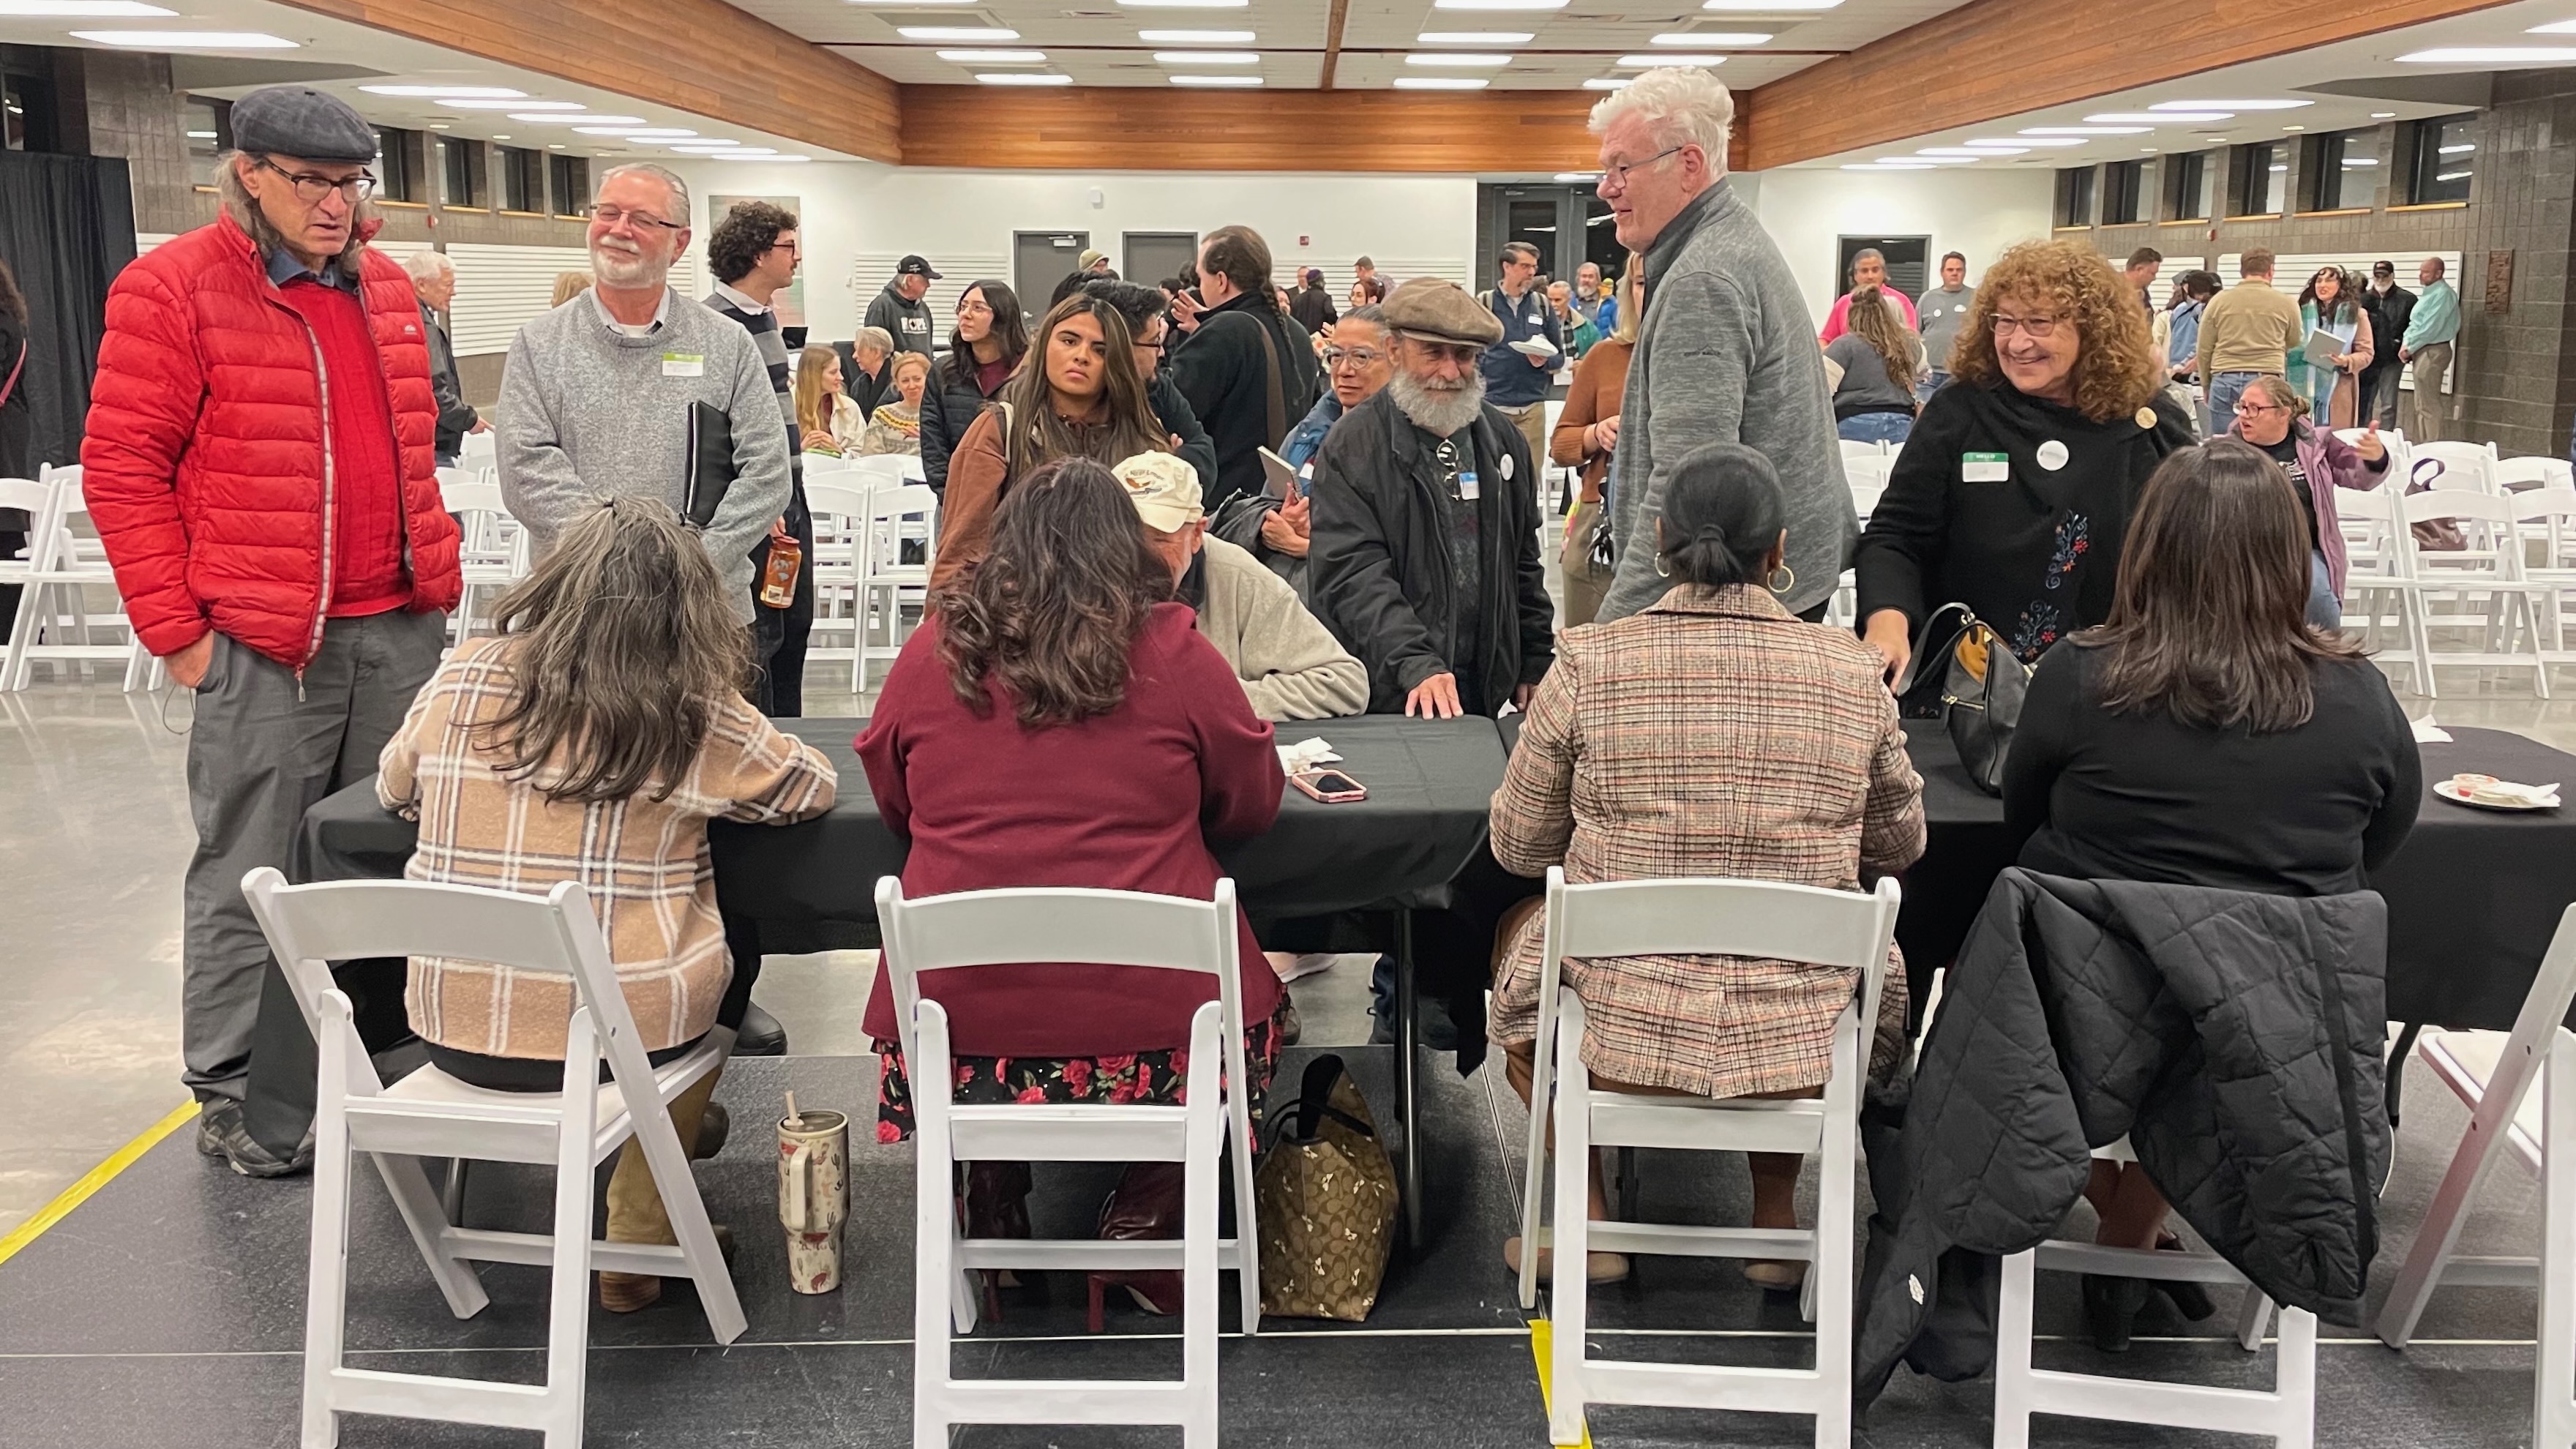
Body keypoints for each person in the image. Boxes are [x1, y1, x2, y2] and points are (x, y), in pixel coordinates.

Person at [82, 86, 465, 1173]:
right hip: (261, 642)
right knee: (253, 865)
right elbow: (122, 468)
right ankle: (238, 1085)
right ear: (248, 172)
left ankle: (382, 1049)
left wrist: (433, 581)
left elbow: (408, 449)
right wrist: (181, 634)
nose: (338, 206)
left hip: (397, 628)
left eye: (352, 184)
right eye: (314, 183)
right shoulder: (172, 288)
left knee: (393, 855)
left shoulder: (387, 289)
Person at [1999, 438, 2418, 1349]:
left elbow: (2021, 823)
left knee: (2048, 999)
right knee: (2200, 1017)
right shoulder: (2359, 698)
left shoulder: (2079, 676)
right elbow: (2377, 845)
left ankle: (2123, 1221)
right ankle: (2134, 1230)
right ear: (2288, 555)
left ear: (2150, 547)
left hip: (2085, 1032)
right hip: (2277, 1044)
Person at [378, 495, 835, 1311]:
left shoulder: (465, 671)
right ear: (691, 607)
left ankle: (667, 1141)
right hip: (614, 1046)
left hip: (452, 1030)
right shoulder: (691, 709)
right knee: (729, 952)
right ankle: (642, 1217)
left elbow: (394, 783)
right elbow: (807, 785)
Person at [857, 457, 1289, 1319]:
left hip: (961, 1032)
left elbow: (891, 791)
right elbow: (1252, 797)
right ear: (1125, 550)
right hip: (1161, 1027)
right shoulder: (1173, 650)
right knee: (1260, 1010)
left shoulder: (933, 649)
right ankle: (1149, 1213)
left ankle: (992, 1196)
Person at [1488, 441, 1925, 1288]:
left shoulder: (1588, 663)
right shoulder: (1849, 672)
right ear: (1781, 550)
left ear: (1656, 539)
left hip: (1619, 1029)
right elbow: (1901, 845)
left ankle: (1590, 1221)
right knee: (1818, 955)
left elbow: (1517, 846)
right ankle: (1772, 1222)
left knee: (1521, 949)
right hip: (1803, 1041)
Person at [1854, 240, 2195, 683]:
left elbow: (2196, 556)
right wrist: (1887, 621)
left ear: (2092, 328)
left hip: (2118, 686)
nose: (2017, 342)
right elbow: (1895, 536)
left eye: (2039, 322)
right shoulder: (1961, 411)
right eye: (2005, 322)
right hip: (1971, 690)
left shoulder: (2147, 423)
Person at [495, 162, 791, 670]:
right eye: (607, 212)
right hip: (574, 618)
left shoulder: (727, 345)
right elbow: (526, 471)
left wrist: (689, 566)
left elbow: (767, 473)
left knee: (711, 751)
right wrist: (615, 565)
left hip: (705, 618)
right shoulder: (539, 344)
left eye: (641, 219)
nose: (618, 229)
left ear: (679, 243)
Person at [1587, 67, 1849, 625]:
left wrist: (1615, 630)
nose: (1605, 187)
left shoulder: (1701, 279)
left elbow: (1686, 481)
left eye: (1621, 167)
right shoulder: (1733, 241)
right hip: (1780, 580)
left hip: (1740, 601)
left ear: (1688, 166)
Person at [1309, 278, 1554, 719]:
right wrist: (1415, 663)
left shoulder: (1501, 442)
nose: (1450, 372)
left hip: (1479, 691)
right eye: (1434, 354)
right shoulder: (1353, 446)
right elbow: (1353, 573)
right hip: (1387, 689)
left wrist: (1535, 659)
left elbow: (1522, 559)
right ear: (1395, 351)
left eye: (1464, 356)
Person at [931, 291, 1175, 591]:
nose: (1082, 356)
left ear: (1116, 362)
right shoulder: (999, 428)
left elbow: (1165, 553)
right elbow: (960, 557)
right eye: (1069, 341)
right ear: (1045, 345)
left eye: (1100, 349)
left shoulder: (1144, 438)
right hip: (1019, 617)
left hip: (1121, 616)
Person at [1114, 451, 1366, 720]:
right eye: (1125, 538)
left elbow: (1344, 682)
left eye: (1160, 539)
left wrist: (1214, 699)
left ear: (1197, 533)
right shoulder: (1078, 572)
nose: (1141, 555)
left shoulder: (1238, 576)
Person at [703, 199, 814, 717]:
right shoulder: (712, 327)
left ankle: (793, 744)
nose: (798, 259)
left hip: (790, 499)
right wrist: (758, 499)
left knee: (794, 630)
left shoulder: (765, 318)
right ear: (756, 253)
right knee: (760, 646)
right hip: (758, 512)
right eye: (789, 247)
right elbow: (713, 430)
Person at [1220, 304, 1394, 598]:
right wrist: (1281, 519)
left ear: (1396, 360)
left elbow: (1405, 551)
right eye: (1336, 355)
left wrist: (1310, 549)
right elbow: (1269, 502)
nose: (1345, 370)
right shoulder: (1306, 433)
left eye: (1361, 357)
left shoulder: (1403, 445)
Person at [1167, 225, 1322, 510]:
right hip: (1277, 502)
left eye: (1201, 278)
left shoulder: (1225, 332)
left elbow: (1174, 411)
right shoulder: (1296, 332)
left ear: (1222, 280)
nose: (1199, 288)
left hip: (1226, 505)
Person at [2227, 375, 2389, 629]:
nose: (2245, 416)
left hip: (2304, 550)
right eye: (2242, 407)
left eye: (2255, 409)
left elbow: (2359, 477)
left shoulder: (2317, 446)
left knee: (2317, 595)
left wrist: (2375, 459)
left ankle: (2328, 664)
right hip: (2242, 553)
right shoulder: (2225, 451)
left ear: (2283, 413)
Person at [1550, 261, 1641, 629]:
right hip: (1599, 521)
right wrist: (1596, 433)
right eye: (1641, 282)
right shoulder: (1605, 356)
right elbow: (1561, 443)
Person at [1081, 277, 1219, 491]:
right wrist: (1161, 463)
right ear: (1122, 345)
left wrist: (1167, 459)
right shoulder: (1074, 401)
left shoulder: (1156, 387)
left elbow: (1204, 458)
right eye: (1155, 342)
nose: (1162, 352)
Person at [918, 279, 1027, 494]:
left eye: (978, 308)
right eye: (963, 306)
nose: (965, 314)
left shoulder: (1027, 371)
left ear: (1003, 316)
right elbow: (932, 440)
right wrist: (947, 493)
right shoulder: (944, 371)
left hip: (1018, 498)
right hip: (956, 495)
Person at [2194, 246, 2304, 438]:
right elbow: (2295, 341)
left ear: (2242, 271)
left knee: (2224, 444)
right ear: (2271, 271)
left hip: (2225, 377)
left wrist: (2206, 384)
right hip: (2267, 379)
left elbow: (2204, 348)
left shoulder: (2219, 301)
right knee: (2263, 441)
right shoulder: (2287, 303)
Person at [1477, 242, 1562, 470]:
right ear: (1507, 266)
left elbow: (1559, 356)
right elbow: (1472, 353)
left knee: (1529, 478)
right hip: (1493, 406)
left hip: (1532, 408)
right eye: (1525, 266)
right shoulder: (1485, 304)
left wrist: (1545, 361)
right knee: (1492, 476)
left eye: (1534, 267)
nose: (1532, 272)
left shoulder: (1541, 305)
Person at [402, 251, 485, 466]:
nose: (454, 292)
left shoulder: (401, 316)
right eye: (448, 285)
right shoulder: (423, 326)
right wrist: (468, 419)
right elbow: (434, 389)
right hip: (433, 445)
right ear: (421, 285)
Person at [1824, 283, 1922, 445]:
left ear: (1852, 315)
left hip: (1853, 421)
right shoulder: (1910, 345)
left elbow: (1823, 391)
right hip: (1901, 422)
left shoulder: (1843, 346)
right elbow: (1922, 379)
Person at [2290, 265, 2373, 430]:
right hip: (2301, 386)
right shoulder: (2299, 312)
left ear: (2340, 285)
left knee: (2334, 441)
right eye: (2319, 281)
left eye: (2329, 280)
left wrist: (2346, 360)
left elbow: (2367, 353)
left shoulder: (2356, 314)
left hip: (2338, 388)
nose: (2322, 285)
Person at [2400, 256, 2460, 442]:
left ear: (2439, 273)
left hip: (2433, 350)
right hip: (2422, 349)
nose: (2421, 275)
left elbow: (2430, 328)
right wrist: (2406, 344)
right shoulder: (2430, 294)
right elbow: (2415, 324)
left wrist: (2410, 347)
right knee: (2420, 404)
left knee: (2429, 404)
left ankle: (2433, 447)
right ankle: (2422, 445)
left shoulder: (2443, 294)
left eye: (2425, 272)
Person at [2359, 261, 2416, 430]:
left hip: (2392, 359)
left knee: (2388, 403)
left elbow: (2413, 328)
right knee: (2364, 402)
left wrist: (2402, 346)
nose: (2381, 279)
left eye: (2385, 275)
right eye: (2377, 275)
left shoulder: (2408, 299)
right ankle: (2360, 436)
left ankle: (2387, 440)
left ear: (2392, 276)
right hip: (2369, 359)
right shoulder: (2364, 299)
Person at [1819, 247, 1920, 342]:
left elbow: (1911, 340)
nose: (1870, 276)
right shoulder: (1843, 303)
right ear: (1855, 275)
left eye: (1875, 270)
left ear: (1884, 273)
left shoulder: (1900, 301)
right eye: (1864, 271)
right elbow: (1825, 340)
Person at [2157, 270, 2218, 419]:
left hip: (2178, 369)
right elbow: (2204, 343)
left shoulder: (2177, 311)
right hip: (2193, 371)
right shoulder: (2204, 310)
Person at [1917, 252, 1975, 402]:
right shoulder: (1928, 298)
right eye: (1950, 270)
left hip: (1960, 374)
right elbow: (1916, 333)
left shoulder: (1976, 298)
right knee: (1926, 420)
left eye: (1959, 270)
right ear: (1942, 272)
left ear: (1964, 272)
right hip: (1928, 375)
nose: (1955, 274)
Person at [864, 254, 940, 358]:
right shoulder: (881, 307)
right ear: (909, 280)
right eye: (925, 280)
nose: (928, 285)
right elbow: (874, 351)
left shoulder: (923, 308)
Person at [858, 351, 931, 457]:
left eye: (917, 379)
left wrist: (926, 438)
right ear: (897, 384)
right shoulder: (882, 415)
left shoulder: (940, 415)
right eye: (905, 381)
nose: (912, 385)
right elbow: (871, 458)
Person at [794, 345, 864, 456]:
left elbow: (863, 454)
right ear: (813, 375)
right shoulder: (787, 408)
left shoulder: (850, 407)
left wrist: (838, 449)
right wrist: (801, 450)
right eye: (833, 372)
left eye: (840, 371)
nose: (841, 377)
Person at [842, 325, 896, 416]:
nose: (854, 356)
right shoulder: (859, 386)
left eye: (858, 349)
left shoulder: (899, 382)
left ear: (876, 352)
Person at [1547, 280, 1600, 359]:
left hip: (1576, 370)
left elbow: (1598, 351)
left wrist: (1583, 363)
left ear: (1569, 299)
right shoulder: (1541, 324)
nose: (1553, 304)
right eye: (1550, 300)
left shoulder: (1585, 325)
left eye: (1557, 300)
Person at [1289, 266, 1338, 336]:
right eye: (1323, 280)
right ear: (1320, 282)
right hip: (1320, 340)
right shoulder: (1325, 298)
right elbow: (1331, 317)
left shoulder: (1297, 298)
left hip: (1302, 337)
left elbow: (1292, 319)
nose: (1325, 283)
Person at [1570, 260, 1614, 332]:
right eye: (1584, 276)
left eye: (1591, 277)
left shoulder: (1609, 301)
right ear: (1578, 279)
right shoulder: (1569, 300)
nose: (1587, 280)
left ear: (1598, 280)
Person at [2122, 247, 2163, 314]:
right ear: (2139, 269)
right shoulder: (2112, 290)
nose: (2154, 278)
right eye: (2152, 273)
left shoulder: (2143, 294)